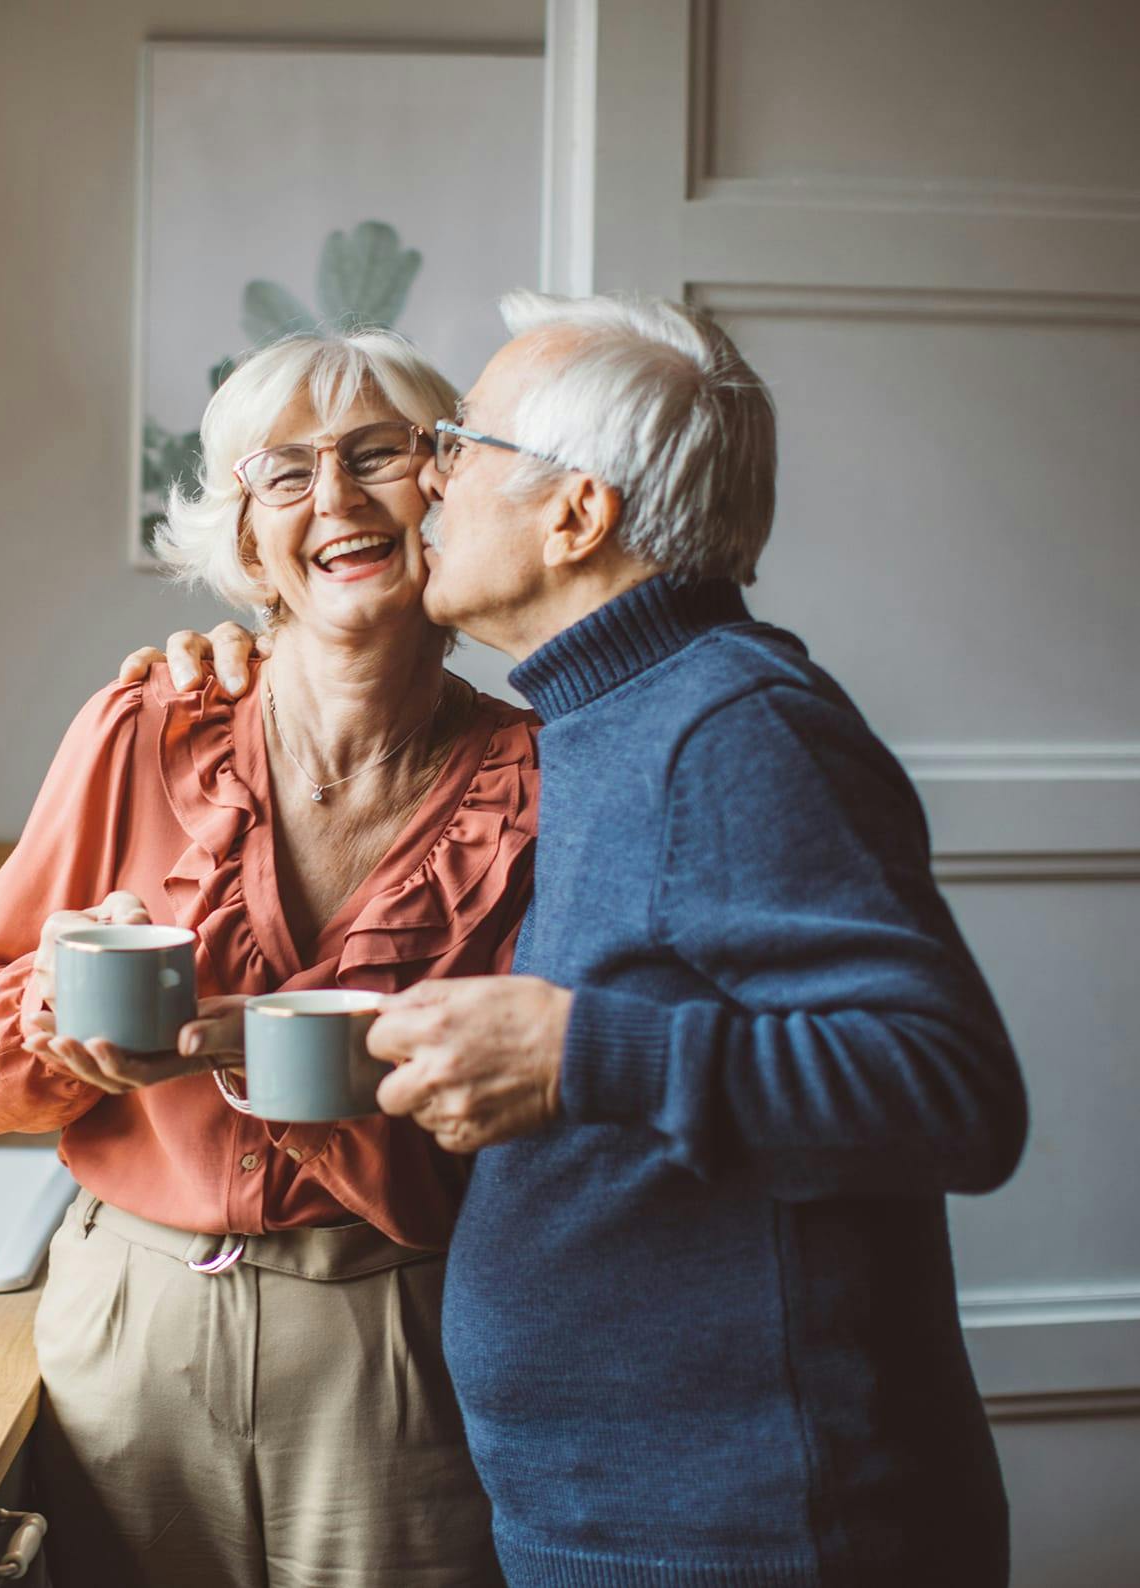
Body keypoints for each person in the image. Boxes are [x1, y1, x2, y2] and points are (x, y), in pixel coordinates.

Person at [124, 291, 1029, 1588]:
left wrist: (574, 1057)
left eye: (462, 447)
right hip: (629, 1512)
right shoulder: (607, 719)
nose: (426, 480)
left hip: (751, 1530)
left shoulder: (731, 725)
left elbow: (949, 1092)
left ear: (576, 512)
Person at [0, 327, 537, 1588]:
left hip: (397, 1328)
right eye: (284, 472)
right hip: (132, 1319)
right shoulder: (141, 724)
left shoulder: (538, 785)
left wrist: (329, 1084)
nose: (333, 498)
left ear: (441, 489)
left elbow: (543, 1130)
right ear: (248, 541)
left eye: (377, 453)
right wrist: (57, 1024)